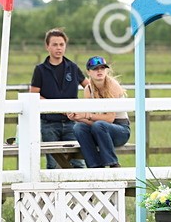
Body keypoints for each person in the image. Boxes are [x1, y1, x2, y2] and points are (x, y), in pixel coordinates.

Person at [29, 28, 87, 169]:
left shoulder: (73, 68)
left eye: (61, 44)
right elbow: (34, 95)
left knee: (77, 162)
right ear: (47, 46)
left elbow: (88, 87)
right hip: (49, 123)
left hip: (72, 123)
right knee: (53, 164)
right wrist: (57, 108)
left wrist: (84, 110)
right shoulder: (40, 70)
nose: (58, 48)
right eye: (55, 44)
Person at [69, 56, 131, 168]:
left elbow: (110, 119)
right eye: (95, 68)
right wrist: (78, 118)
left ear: (107, 70)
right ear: (88, 72)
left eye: (102, 68)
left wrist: (87, 115)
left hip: (120, 130)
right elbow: (91, 121)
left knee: (99, 125)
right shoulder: (88, 89)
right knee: (78, 127)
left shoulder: (113, 85)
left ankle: (113, 164)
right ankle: (95, 166)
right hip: (99, 129)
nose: (99, 71)